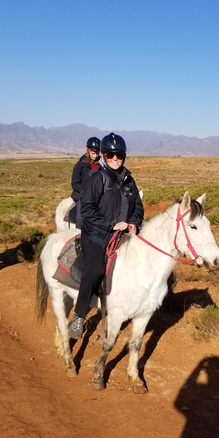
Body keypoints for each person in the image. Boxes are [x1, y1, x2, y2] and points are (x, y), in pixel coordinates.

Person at [68, 133, 144, 339]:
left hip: (122, 234)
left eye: (118, 154)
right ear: (104, 155)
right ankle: (78, 316)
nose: (115, 158)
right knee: (95, 270)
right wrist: (111, 225)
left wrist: (134, 222)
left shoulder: (129, 180)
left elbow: (138, 207)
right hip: (96, 235)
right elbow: (88, 211)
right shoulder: (96, 178)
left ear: (124, 155)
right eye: (110, 154)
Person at [68, 137, 101, 228]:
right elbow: (74, 183)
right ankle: (80, 236)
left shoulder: (102, 164)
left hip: (99, 194)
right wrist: (86, 192)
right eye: (93, 153)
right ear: (88, 151)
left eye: (97, 153)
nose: (95, 155)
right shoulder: (80, 165)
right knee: (81, 217)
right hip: (82, 195)